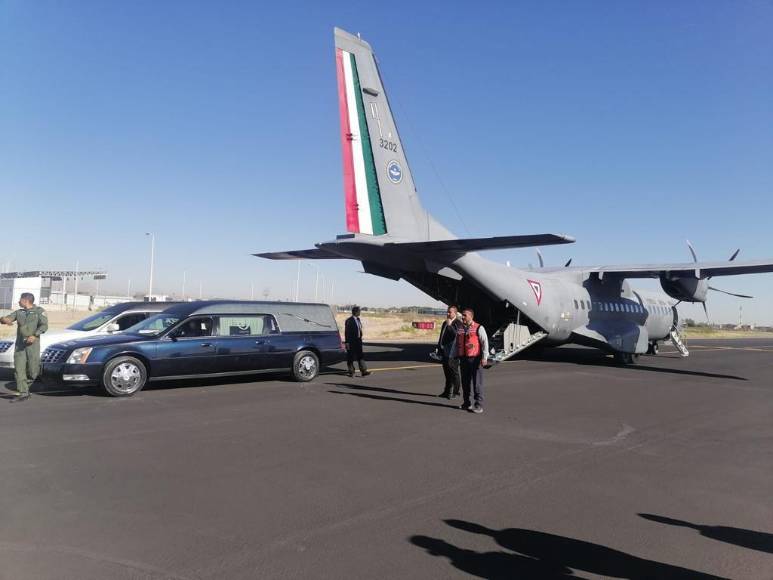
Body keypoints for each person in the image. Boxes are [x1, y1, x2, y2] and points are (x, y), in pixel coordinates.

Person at [0, 292, 48, 402]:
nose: (18, 301)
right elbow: (7, 318)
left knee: (33, 370)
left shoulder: (39, 311)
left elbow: (44, 325)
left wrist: (35, 335)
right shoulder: (19, 312)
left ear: (26, 300)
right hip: (20, 346)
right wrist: (4, 319)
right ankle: (23, 393)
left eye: (20, 300)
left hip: (33, 345)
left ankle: (25, 388)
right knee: (19, 369)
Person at [456, 307, 488, 414]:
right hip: (463, 359)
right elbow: (456, 344)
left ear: (471, 316)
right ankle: (466, 403)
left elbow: (484, 343)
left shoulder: (479, 327)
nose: (462, 317)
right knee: (465, 382)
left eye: (465, 315)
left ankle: (478, 405)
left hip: (475, 360)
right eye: (462, 315)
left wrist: (484, 357)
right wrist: (453, 355)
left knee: (477, 383)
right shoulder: (460, 328)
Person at [436, 305, 462, 399]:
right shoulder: (445, 322)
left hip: (453, 353)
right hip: (445, 351)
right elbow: (442, 336)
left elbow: (456, 334)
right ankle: (446, 392)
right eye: (447, 311)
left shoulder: (458, 323)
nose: (448, 313)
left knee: (454, 373)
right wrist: (439, 347)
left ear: (455, 313)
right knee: (447, 373)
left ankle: (456, 392)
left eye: (450, 312)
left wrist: (450, 325)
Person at [344, 305, 370, 378]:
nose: (360, 312)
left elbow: (359, 329)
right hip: (351, 341)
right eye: (359, 311)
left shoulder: (358, 319)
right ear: (355, 312)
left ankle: (364, 371)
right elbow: (346, 332)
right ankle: (351, 372)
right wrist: (347, 342)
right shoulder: (349, 320)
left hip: (358, 340)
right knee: (350, 357)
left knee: (360, 356)